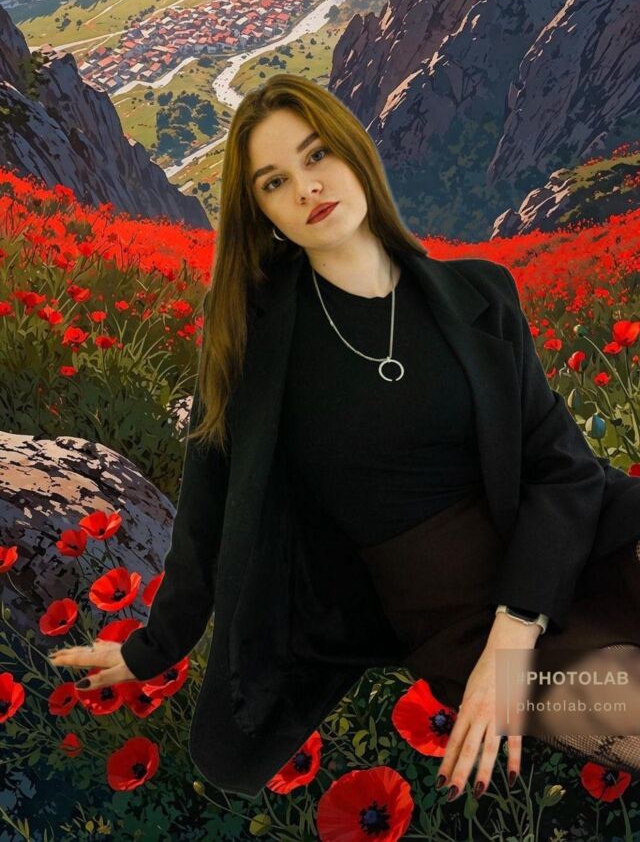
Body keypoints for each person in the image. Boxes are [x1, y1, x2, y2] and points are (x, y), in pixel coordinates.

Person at [47, 73, 640, 800]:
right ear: (262, 211)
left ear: (355, 151)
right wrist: (151, 649)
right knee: (626, 706)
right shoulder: (253, 342)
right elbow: (206, 510)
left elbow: (562, 467)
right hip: (449, 610)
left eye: (317, 154)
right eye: (274, 182)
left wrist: (516, 633)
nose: (306, 188)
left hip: (563, 547)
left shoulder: (480, 293)